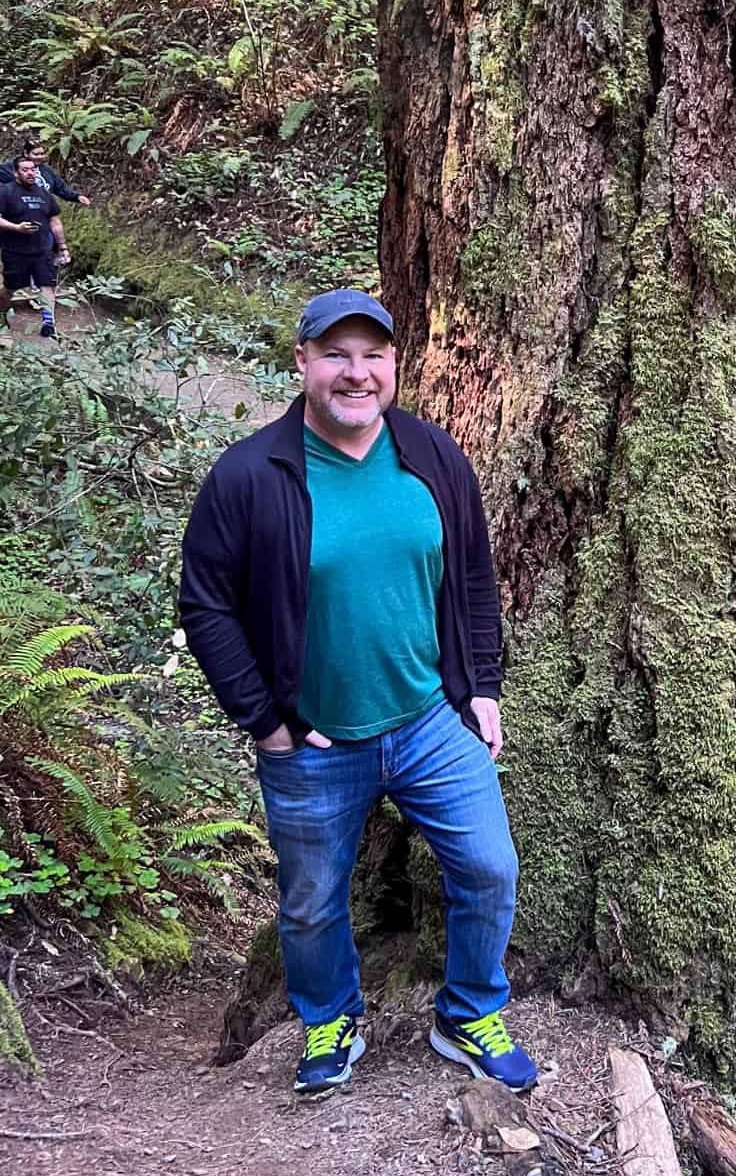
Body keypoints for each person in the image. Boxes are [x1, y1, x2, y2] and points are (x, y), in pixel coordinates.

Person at [179, 287, 535, 1100]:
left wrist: (482, 687)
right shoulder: (250, 476)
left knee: (489, 867)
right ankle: (330, 1017)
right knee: (309, 904)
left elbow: (474, 576)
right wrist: (264, 722)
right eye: (336, 354)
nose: (356, 373)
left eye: (373, 355)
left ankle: (469, 1011)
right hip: (312, 743)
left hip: (428, 720)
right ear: (302, 361)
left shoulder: (433, 457)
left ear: (393, 367)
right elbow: (205, 604)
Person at [0, 155, 69, 339]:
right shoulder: (5, 192)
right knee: (10, 288)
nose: (31, 173)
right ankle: (2, 316)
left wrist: (62, 246)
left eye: (33, 169)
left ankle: (49, 323)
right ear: (16, 173)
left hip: (41, 250)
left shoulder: (44, 193)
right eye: (25, 170)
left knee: (47, 284)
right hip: (15, 251)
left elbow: (54, 220)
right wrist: (16, 228)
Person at [0, 153, 91, 206]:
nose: (40, 156)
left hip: (43, 210)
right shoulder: (11, 167)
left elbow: (60, 188)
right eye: (36, 154)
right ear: (26, 153)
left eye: (42, 154)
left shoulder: (46, 171)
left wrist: (76, 197)